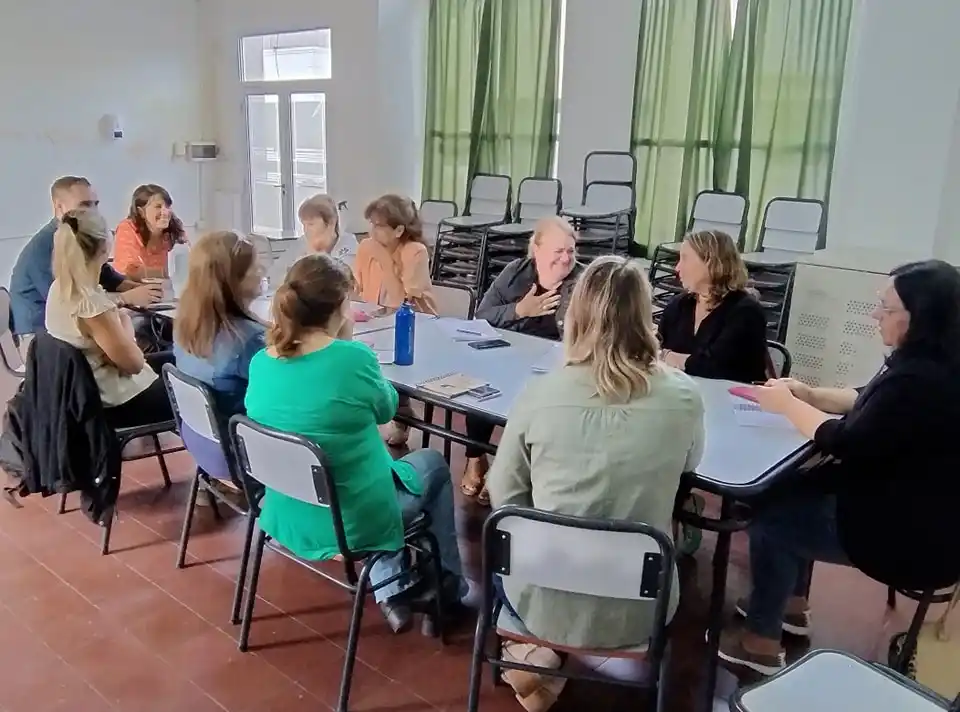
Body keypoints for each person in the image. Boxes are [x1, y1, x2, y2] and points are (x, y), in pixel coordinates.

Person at [718, 259, 960, 677]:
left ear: (919, 316)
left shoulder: (923, 380)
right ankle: (789, 605)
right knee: (794, 486)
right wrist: (811, 393)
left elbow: (847, 441)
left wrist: (789, 405)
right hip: (917, 509)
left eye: (885, 309)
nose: (874, 316)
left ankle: (760, 641)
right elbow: (869, 399)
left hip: (908, 535)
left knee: (770, 515)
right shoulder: (935, 361)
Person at [487, 255, 704, 712]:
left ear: (576, 315)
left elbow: (502, 493)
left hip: (543, 589)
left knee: (501, 553)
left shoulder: (539, 393)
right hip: (642, 603)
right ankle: (541, 659)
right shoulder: (684, 395)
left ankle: (528, 650)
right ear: (646, 317)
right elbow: (689, 470)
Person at [244, 253, 465, 634]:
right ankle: (447, 590)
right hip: (351, 522)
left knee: (366, 464)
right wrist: (345, 347)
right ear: (338, 308)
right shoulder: (352, 358)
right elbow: (387, 409)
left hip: (284, 509)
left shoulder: (262, 361)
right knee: (433, 464)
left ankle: (396, 586)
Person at [462, 216, 582, 505]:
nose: (566, 258)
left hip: (556, 371)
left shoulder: (583, 281)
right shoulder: (516, 272)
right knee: (480, 382)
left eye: (571, 250)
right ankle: (475, 457)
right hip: (507, 358)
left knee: (533, 405)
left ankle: (505, 472)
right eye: (558, 251)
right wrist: (520, 310)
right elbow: (482, 316)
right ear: (537, 250)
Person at [44, 209, 173, 428]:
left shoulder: (61, 288)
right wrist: (124, 325)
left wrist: (118, 319)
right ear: (104, 248)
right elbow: (134, 363)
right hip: (113, 402)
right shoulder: (91, 305)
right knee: (199, 390)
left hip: (84, 390)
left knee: (174, 358)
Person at [173, 232, 266, 500]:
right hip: (243, 459)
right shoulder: (248, 340)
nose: (261, 271)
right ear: (232, 281)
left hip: (202, 446)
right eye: (253, 267)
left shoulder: (185, 325)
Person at [10, 176, 162, 336]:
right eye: (85, 205)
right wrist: (124, 298)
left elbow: (102, 273)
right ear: (59, 207)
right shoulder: (45, 246)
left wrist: (133, 286)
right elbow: (70, 303)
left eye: (95, 204)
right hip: (41, 337)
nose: (93, 211)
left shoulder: (78, 235)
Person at [354, 194, 438, 446]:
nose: (372, 231)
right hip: (378, 321)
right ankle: (381, 414)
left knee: (396, 360)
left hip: (415, 323)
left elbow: (402, 300)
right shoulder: (367, 247)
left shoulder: (415, 252)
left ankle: (402, 413)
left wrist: (383, 260)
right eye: (371, 224)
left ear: (399, 229)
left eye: (379, 226)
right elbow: (359, 289)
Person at [658, 230, 768, 384]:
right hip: (686, 393)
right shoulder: (679, 305)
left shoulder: (746, 312)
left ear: (710, 262)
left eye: (685, 259)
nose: (677, 268)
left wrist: (670, 357)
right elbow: (656, 350)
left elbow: (716, 367)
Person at [267, 194, 358, 287]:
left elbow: (340, 281)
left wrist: (314, 256)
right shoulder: (302, 242)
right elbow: (275, 274)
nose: (305, 230)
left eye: (311, 224)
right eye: (303, 225)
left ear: (331, 222)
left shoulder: (348, 243)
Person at [113, 183, 187, 279]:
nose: (166, 212)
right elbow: (128, 271)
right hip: (132, 290)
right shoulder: (127, 228)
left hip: (167, 289)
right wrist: (167, 272)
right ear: (141, 212)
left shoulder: (175, 229)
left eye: (168, 206)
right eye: (158, 206)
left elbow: (188, 264)